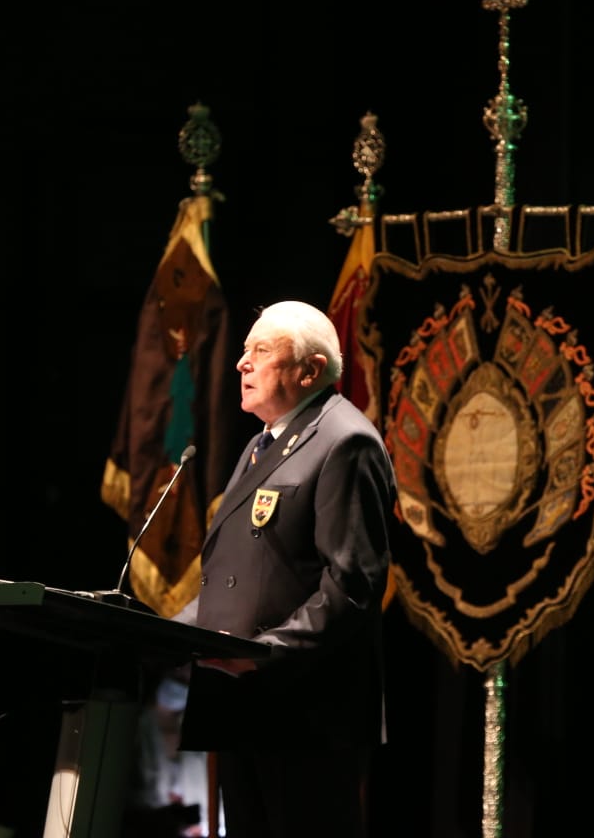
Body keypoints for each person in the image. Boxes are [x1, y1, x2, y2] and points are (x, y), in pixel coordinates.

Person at [179, 300, 395, 838]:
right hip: (244, 708)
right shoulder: (262, 443)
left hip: (304, 715)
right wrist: (157, 630)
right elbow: (236, 572)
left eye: (261, 351)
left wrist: (264, 654)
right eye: (244, 351)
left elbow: (352, 585)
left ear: (309, 370)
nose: (241, 364)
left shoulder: (346, 441)